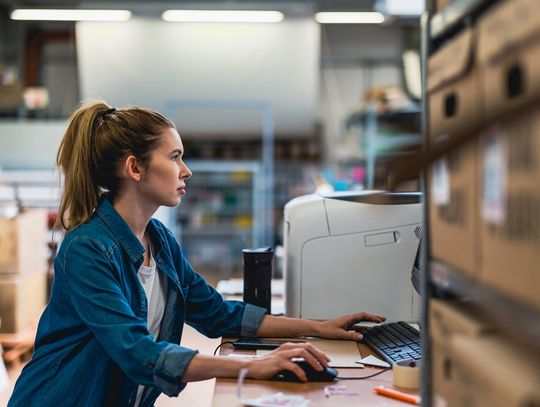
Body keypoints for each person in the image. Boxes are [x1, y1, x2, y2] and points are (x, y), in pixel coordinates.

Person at [8, 101, 385, 407]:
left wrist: (316, 327)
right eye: (174, 157)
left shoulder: (159, 240)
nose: (185, 171)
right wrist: (252, 367)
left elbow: (217, 314)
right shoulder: (88, 250)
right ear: (135, 168)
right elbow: (137, 352)